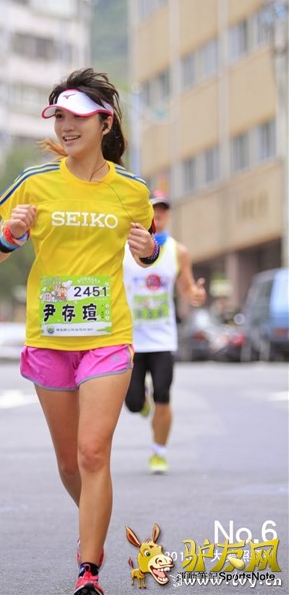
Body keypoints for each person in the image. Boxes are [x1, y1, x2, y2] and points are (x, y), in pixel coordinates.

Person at [0, 68, 159, 595]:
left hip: (107, 335)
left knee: (92, 453)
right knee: (69, 463)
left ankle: (89, 569)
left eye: (78, 117)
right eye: (59, 116)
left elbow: (148, 246)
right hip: (49, 338)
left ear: (105, 123)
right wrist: (13, 233)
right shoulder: (35, 182)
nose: (66, 126)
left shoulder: (131, 190)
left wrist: (148, 250)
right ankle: (95, 519)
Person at [123, 190, 207, 474]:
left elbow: (186, 287)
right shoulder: (123, 246)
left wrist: (194, 294)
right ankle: (141, 404)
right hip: (130, 338)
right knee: (133, 402)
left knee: (163, 395)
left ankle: (159, 452)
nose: (158, 214)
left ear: (168, 215)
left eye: (163, 210)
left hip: (162, 338)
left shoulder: (177, 251)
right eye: (153, 209)